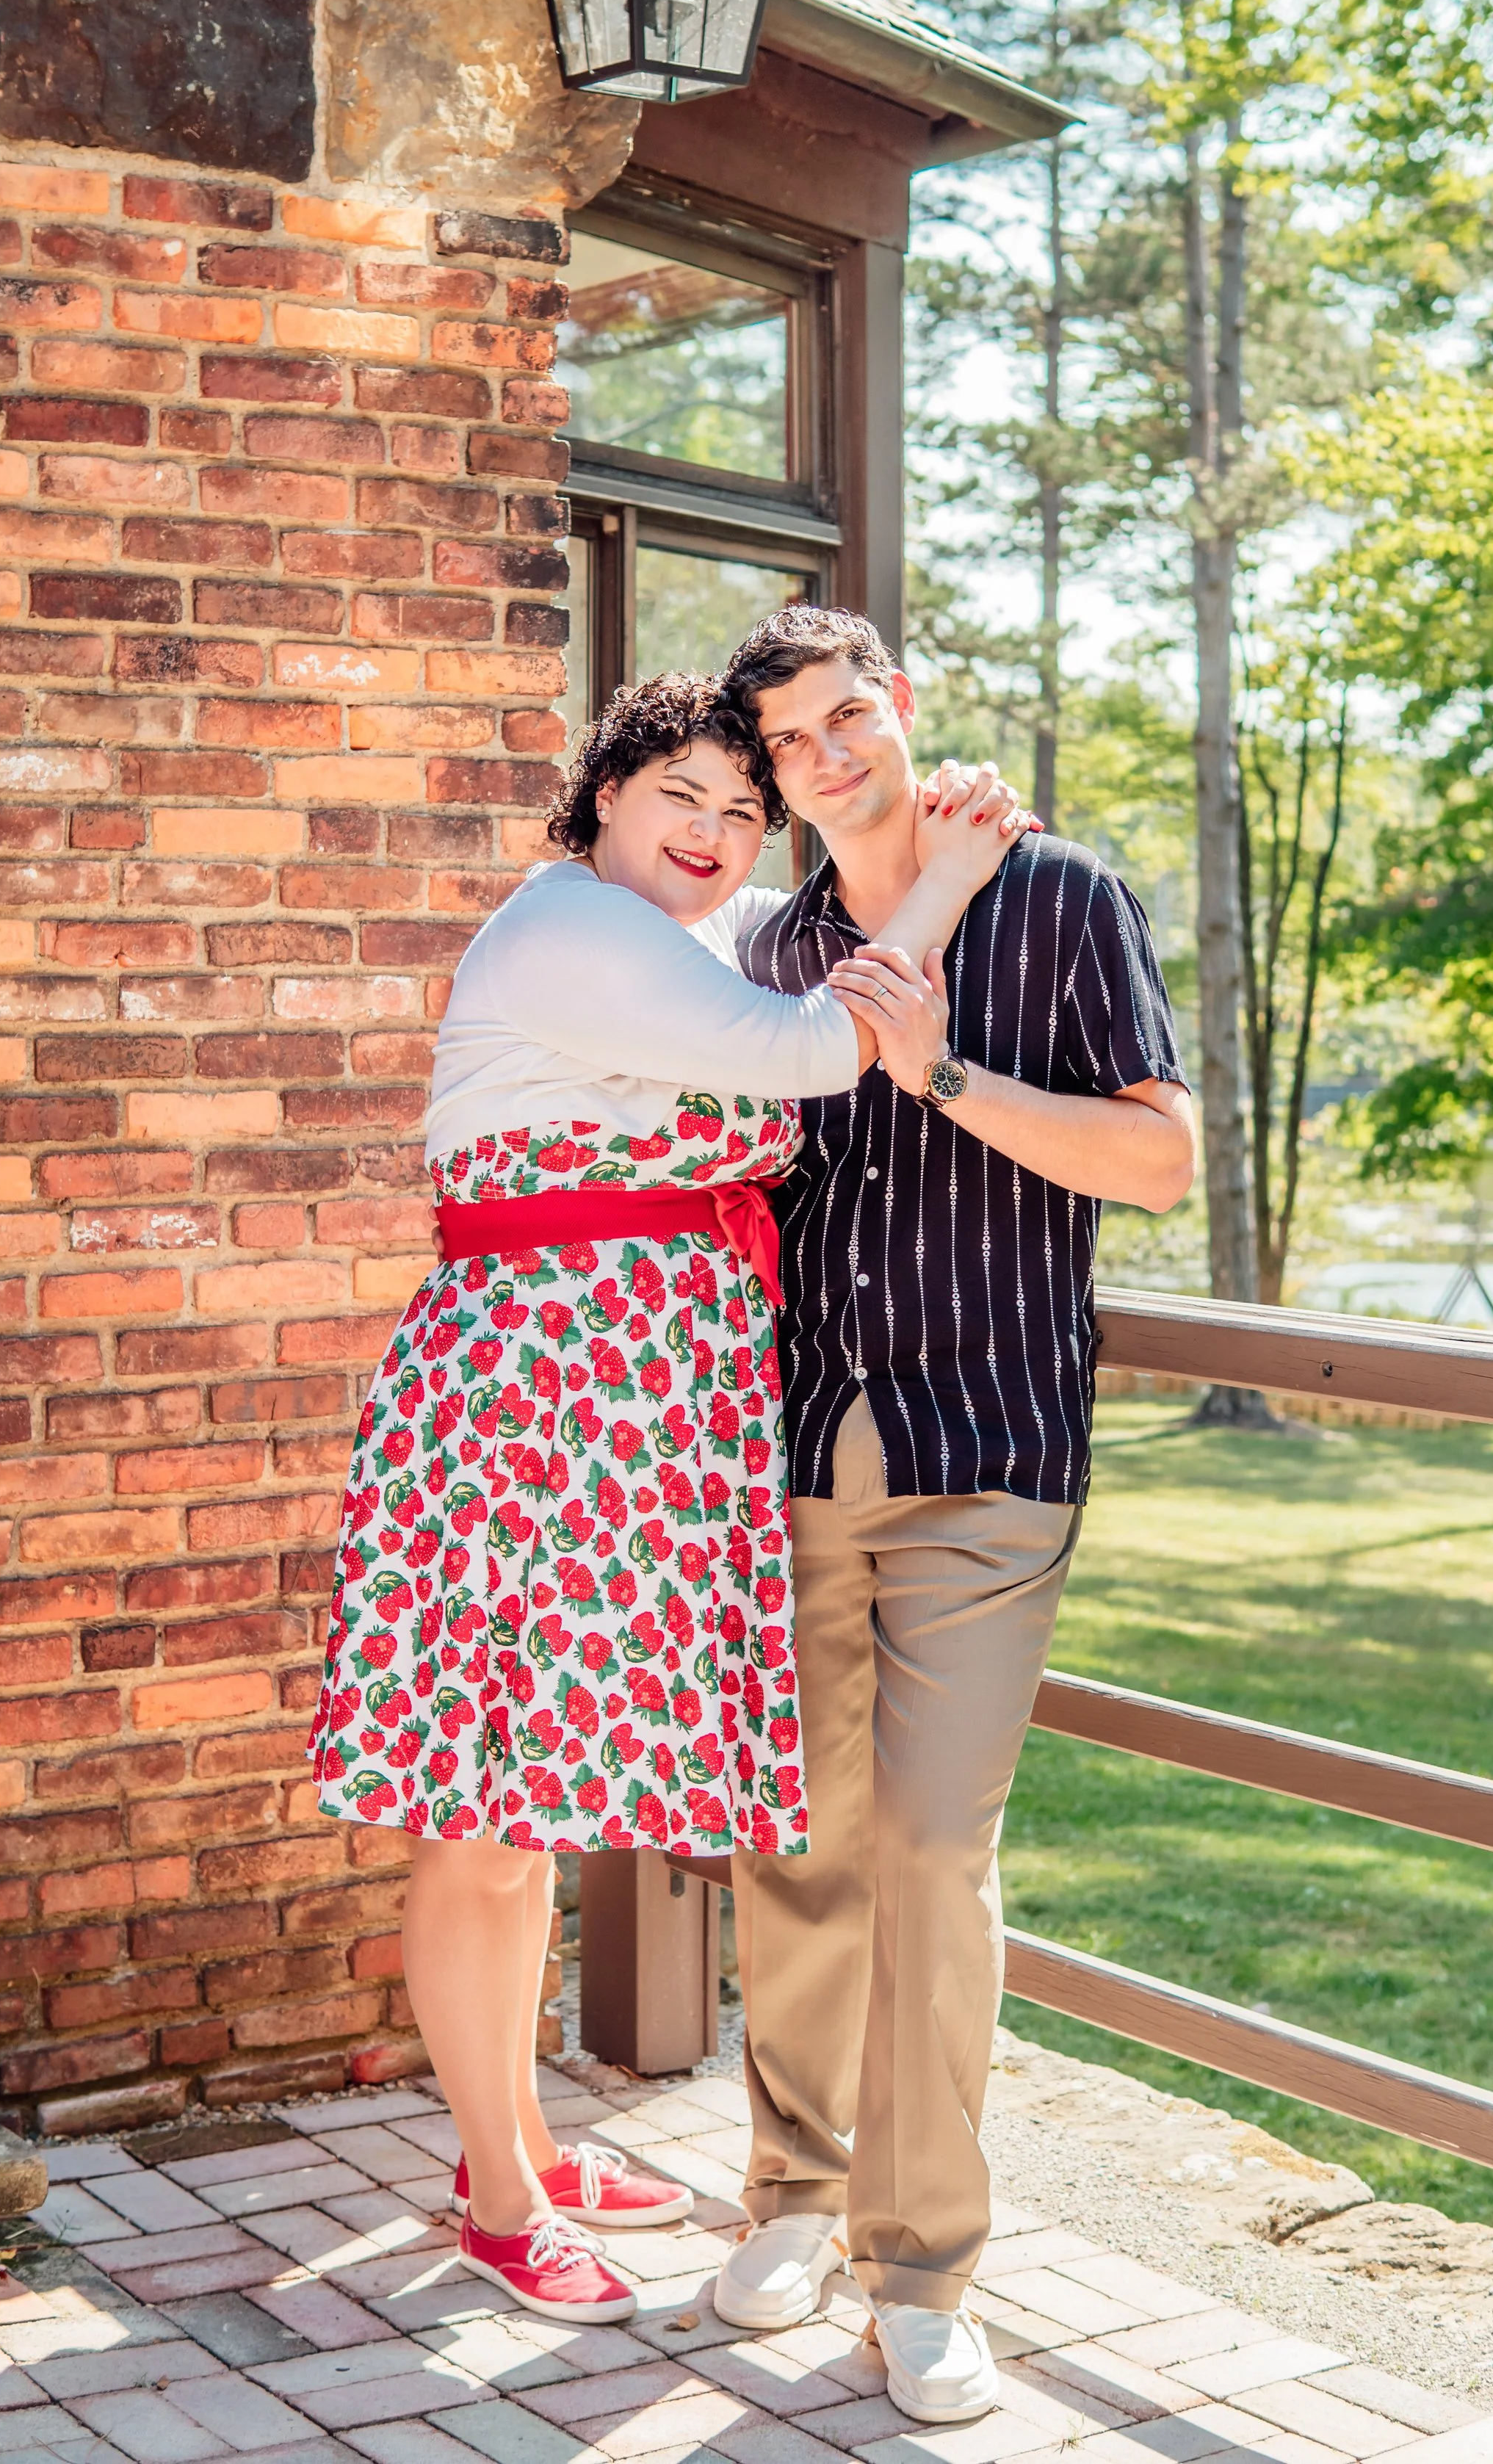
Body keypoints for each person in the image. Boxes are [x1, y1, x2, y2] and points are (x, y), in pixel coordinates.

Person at [308, 670, 1031, 2329]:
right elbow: (808, 1044)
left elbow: (820, 918)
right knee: (486, 1825)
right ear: (601, 803)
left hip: (619, 1417)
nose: (710, 836)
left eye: (735, 808)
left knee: (527, 1815)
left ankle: (531, 2149)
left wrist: (914, 815)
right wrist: (951, 874)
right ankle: (499, 2196)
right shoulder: (572, 930)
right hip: (527, 1412)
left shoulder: (678, 937)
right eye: (675, 801)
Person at [712, 609, 1196, 2425]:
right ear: (768, 779)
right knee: (797, 1847)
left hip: (986, 1453)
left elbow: (1156, 1159)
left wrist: (944, 1077)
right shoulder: (772, 946)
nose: (830, 757)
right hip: (791, 1451)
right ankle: (791, 2189)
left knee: (925, 1852)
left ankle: (917, 2275)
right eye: (793, 743)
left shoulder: (1057, 897)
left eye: (851, 717)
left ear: (897, 712)